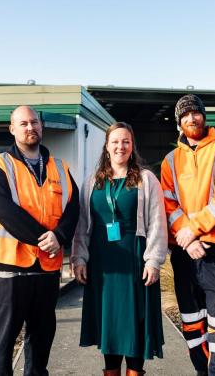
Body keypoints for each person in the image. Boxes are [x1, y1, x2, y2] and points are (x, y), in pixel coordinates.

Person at [0, 105, 80, 376]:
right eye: (23, 123)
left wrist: (60, 236)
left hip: (47, 270)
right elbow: (4, 210)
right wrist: (44, 240)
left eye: (34, 122)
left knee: (41, 340)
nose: (30, 128)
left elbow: (73, 207)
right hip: (9, 269)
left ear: (41, 126)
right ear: (12, 129)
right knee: (0, 343)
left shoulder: (60, 167)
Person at [72, 122, 167, 376]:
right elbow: (82, 224)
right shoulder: (92, 182)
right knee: (110, 325)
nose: (120, 146)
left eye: (125, 141)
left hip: (136, 261)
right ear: (106, 146)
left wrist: (154, 260)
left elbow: (158, 222)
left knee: (134, 326)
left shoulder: (146, 180)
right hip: (102, 264)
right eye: (115, 141)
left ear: (132, 145)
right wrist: (79, 257)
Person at [160, 95, 215, 376]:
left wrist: (193, 232)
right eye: (185, 115)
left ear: (204, 117)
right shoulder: (170, 161)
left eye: (196, 113)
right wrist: (189, 240)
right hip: (185, 254)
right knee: (193, 328)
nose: (192, 118)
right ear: (179, 123)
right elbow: (168, 204)